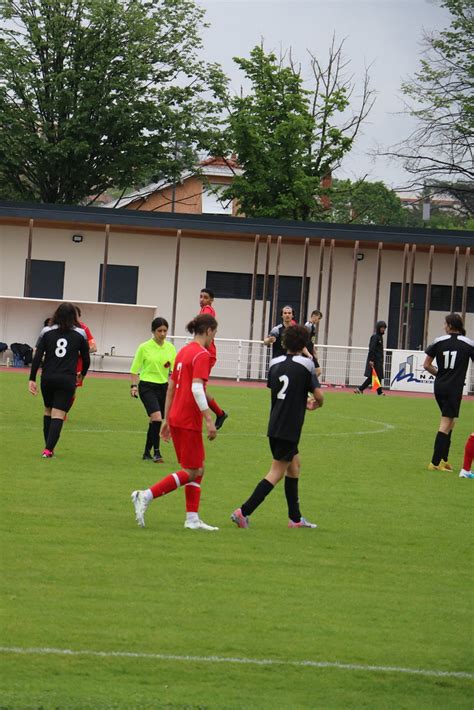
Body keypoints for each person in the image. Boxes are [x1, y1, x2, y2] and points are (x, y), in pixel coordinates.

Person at [131, 314, 219, 531]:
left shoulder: (183, 351)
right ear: (208, 331)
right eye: (214, 334)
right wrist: (209, 418)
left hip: (178, 416)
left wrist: (167, 418)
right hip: (189, 418)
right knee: (191, 470)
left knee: (199, 468)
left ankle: (192, 519)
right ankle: (145, 495)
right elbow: (197, 388)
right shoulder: (201, 354)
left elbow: (171, 386)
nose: (213, 338)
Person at [231, 324, 324, 529]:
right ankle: (243, 512)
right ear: (303, 344)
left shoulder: (274, 363)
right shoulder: (306, 364)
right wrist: (315, 403)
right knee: (276, 472)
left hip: (275, 422)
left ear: (284, 342)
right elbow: (319, 395)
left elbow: (280, 389)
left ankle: (295, 519)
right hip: (290, 426)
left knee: (295, 466)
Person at [28, 302, 90, 457]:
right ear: (73, 317)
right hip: (67, 379)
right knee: (59, 414)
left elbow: (37, 357)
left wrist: (32, 378)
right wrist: (82, 373)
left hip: (47, 378)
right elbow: (87, 358)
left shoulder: (46, 331)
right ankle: (48, 450)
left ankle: (48, 448)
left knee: (48, 410)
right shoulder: (80, 333)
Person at [423, 313, 474, 472]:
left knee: (451, 422)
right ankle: (435, 463)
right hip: (454, 388)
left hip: (439, 387)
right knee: (446, 424)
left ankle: (444, 460)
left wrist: (441, 375)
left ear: (451, 325)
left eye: (445, 324)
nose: (444, 326)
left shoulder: (439, 341)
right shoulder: (468, 344)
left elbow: (426, 365)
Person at [130, 317, 177, 462]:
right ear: (153, 331)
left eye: (165, 331)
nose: (162, 334)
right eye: (159, 331)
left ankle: (146, 453)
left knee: (154, 421)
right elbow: (134, 369)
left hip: (163, 387)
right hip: (147, 386)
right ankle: (157, 452)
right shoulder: (144, 347)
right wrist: (133, 387)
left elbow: (174, 371)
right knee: (157, 418)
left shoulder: (170, 348)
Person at [199, 288, 228, 430]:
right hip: (205, 353)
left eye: (205, 297)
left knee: (198, 388)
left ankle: (217, 414)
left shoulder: (207, 310)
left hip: (207, 354)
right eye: (200, 296)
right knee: (198, 388)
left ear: (211, 300)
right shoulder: (205, 310)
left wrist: (202, 347)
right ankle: (219, 414)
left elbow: (208, 327)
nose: (202, 299)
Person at [354, 320, 387, 395]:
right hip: (375, 360)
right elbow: (371, 349)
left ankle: (363, 389)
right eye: (382, 327)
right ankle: (362, 389)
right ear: (378, 327)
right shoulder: (375, 336)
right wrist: (371, 360)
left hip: (379, 360)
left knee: (376, 376)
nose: (383, 329)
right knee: (374, 377)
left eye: (384, 328)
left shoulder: (380, 337)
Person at [304, 309, 323, 378]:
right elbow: (303, 339)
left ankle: (305, 384)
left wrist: (314, 352)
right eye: (319, 318)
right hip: (306, 352)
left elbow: (312, 341)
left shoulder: (313, 326)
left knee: (315, 371)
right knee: (318, 371)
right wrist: (307, 353)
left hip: (310, 352)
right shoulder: (308, 325)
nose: (318, 321)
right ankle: (307, 384)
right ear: (314, 316)